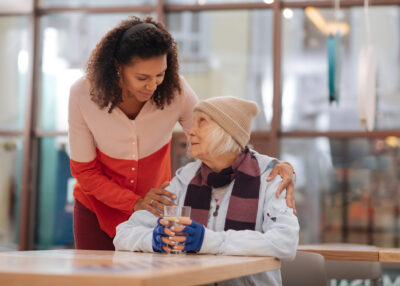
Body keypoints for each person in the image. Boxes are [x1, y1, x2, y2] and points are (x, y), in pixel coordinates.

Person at [68, 16, 296, 251]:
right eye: (142, 78)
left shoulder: (175, 90)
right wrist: (134, 202)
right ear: (118, 66)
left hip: (154, 207)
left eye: (160, 74)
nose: (153, 85)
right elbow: (84, 171)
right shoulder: (82, 95)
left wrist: (270, 166)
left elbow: (216, 136)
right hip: (96, 208)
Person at [113, 97, 299, 286]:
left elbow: (285, 242)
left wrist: (209, 241)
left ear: (227, 132)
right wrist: (152, 240)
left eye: (202, 122)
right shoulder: (184, 180)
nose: (190, 131)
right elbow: (123, 234)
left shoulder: (270, 176)